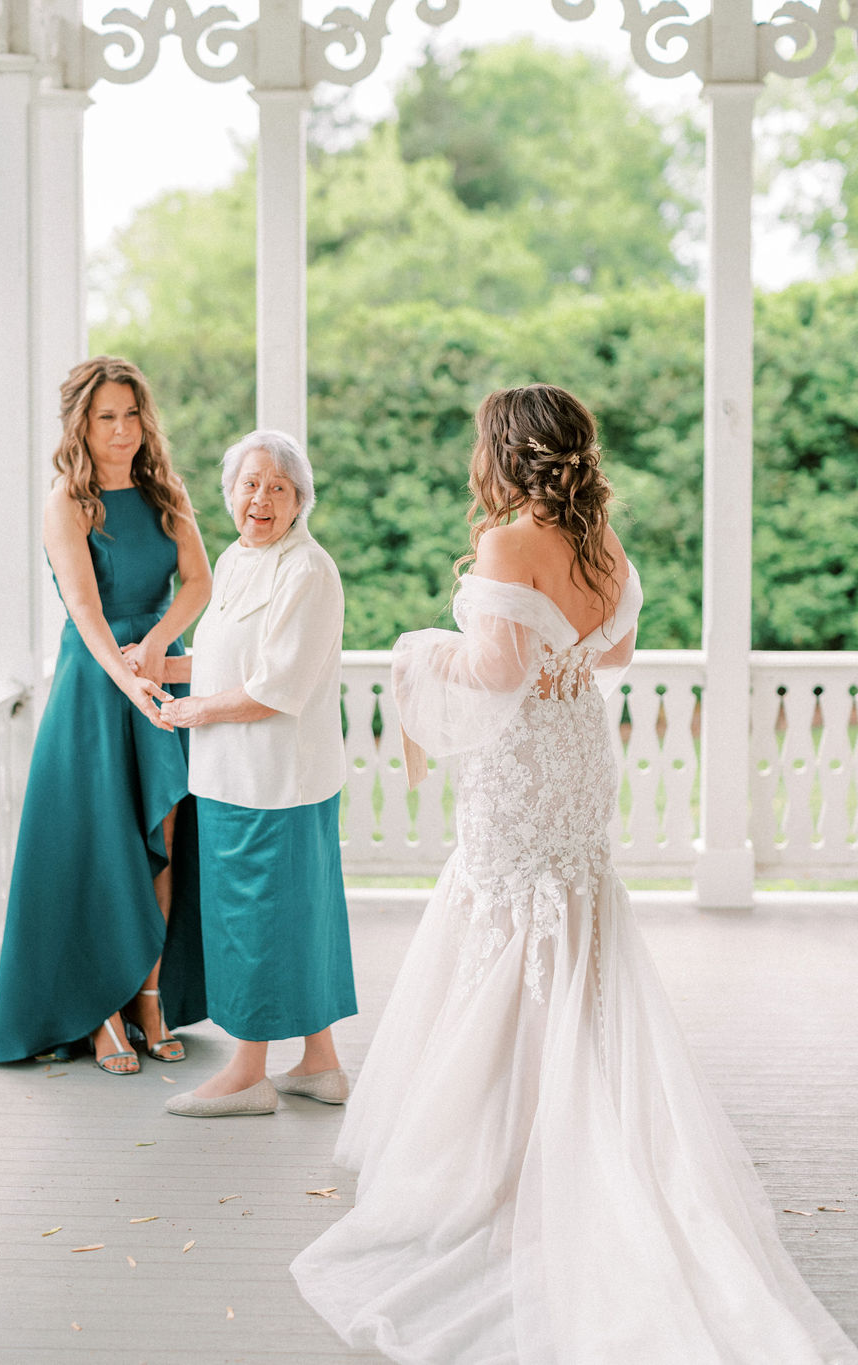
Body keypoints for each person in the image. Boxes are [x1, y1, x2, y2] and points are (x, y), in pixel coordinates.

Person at [291, 385, 858, 1364]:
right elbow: (617, 648)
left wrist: (421, 653)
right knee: (571, 940)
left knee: (501, 942)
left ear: (506, 452)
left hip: (521, 771)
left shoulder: (511, 541)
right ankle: (546, 1140)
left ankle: (501, 1169)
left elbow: (499, 674)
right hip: (580, 761)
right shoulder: (604, 547)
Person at [0, 356, 212, 1073]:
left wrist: (153, 649)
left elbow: (200, 583)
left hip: (159, 670)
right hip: (96, 685)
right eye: (106, 416)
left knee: (165, 833)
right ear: (82, 425)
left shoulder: (165, 490)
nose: (122, 429)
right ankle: (101, 1011)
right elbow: (85, 612)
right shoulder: (67, 502)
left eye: (131, 413)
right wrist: (129, 675)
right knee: (102, 842)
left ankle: (149, 994)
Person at [150, 429, 357, 1118]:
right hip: (231, 776)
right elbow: (224, 661)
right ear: (229, 494)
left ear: (301, 498)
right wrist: (161, 667)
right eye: (248, 484)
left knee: (262, 923)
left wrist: (188, 713)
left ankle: (246, 1074)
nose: (260, 498)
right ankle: (320, 1063)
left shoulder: (308, 571)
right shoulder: (239, 559)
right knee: (292, 918)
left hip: (277, 782)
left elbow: (274, 688)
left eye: (277, 486)